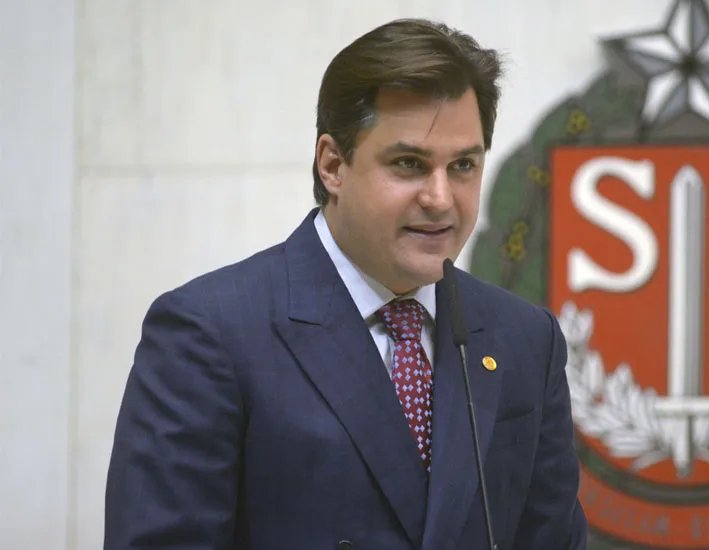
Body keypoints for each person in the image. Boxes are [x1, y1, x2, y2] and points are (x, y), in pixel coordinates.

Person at [104, 18, 587, 550]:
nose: (441, 198)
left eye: (464, 166)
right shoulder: (209, 334)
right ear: (332, 165)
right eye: (409, 164)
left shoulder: (525, 339)